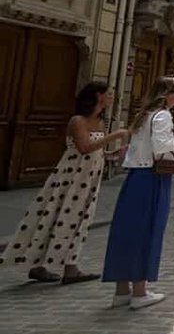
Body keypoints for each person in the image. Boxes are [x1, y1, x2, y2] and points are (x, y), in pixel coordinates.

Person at [1, 82, 129, 285]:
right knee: (56, 216)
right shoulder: (77, 121)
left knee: (79, 220)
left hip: (88, 180)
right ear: (98, 96)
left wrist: (110, 154)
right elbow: (84, 147)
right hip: (71, 178)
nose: (112, 96)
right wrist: (114, 136)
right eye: (109, 93)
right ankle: (46, 266)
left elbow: (95, 150)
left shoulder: (99, 121)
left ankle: (68, 267)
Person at [102, 75, 174, 309]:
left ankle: (121, 290)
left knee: (126, 231)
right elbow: (161, 147)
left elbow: (138, 146)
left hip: (135, 177)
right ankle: (140, 291)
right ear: (166, 94)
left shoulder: (144, 115)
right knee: (148, 230)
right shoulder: (163, 116)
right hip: (153, 177)